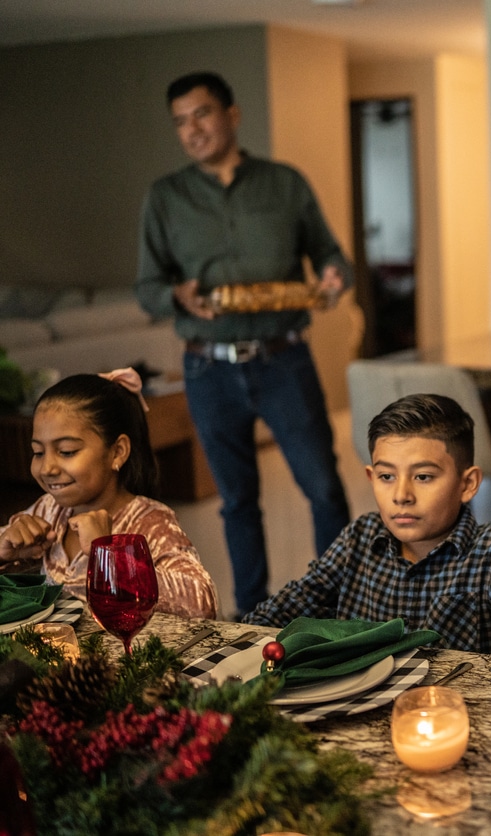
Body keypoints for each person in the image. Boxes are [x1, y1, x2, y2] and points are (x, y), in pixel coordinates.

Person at [135, 71, 352, 617]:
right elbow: (147, 287)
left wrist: (331, 274)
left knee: (323, 488)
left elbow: (331, 254)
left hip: (284, 360)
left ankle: (341, 609)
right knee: (237, 503)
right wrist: (176, 296)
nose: (192, 129)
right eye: (181, 121)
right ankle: (253, 617)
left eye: (201, 114)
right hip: (208, 369)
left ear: (232, 115)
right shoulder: (166, 197)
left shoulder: (285, 183)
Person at [242, 394, 491, 656]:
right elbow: (281, 612)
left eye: (423, 477)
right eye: (386, 477)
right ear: (371, 478)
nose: (401, 496)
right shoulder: (360, 537)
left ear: (467, 484)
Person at [0, 371, 217, 619]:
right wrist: (4, 551)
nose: (47, 468)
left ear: (117, 452)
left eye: (67, 451)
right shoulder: (47, 511)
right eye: (38, 452)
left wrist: (112, 557)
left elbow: (203, 603)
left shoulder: (149, 522)